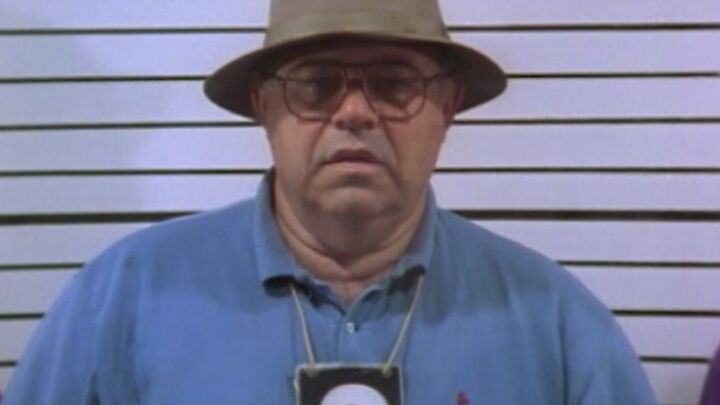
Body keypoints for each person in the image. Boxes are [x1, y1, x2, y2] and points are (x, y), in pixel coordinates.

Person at [3, 0, 658, 404]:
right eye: (316, 84)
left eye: (393, 83)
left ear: (447, 106)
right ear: (264, 108)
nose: (354, 112)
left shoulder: (556, 321)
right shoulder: (121, 298)